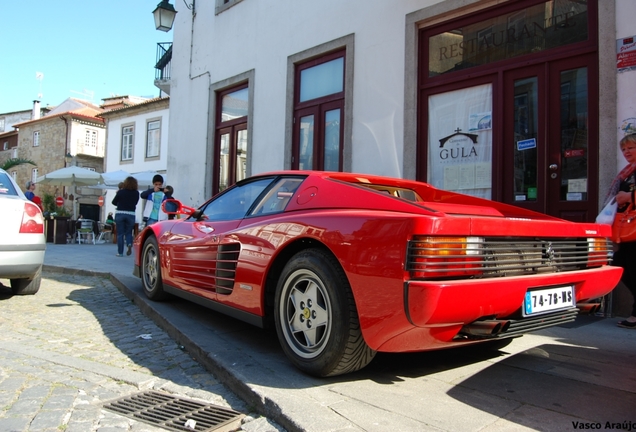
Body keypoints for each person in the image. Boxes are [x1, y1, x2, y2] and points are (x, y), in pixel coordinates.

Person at [604, 133, 636, 329]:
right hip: (626, 229)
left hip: (633, 229)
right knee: (621, 266)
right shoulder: (627, 172)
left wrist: (630, 196)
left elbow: (626, 196)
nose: (626, 152)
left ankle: (634, 315)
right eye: (624, 149)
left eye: (631, 148)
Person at [112, 176, 139, 257]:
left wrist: (120, 203)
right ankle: (129, 243)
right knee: (129, 232)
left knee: (120, 234)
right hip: (131, 214)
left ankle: (120, 252)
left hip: (120, 213)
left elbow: (113, 202)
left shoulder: (121, 192)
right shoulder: (136, 193)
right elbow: (135, 203)